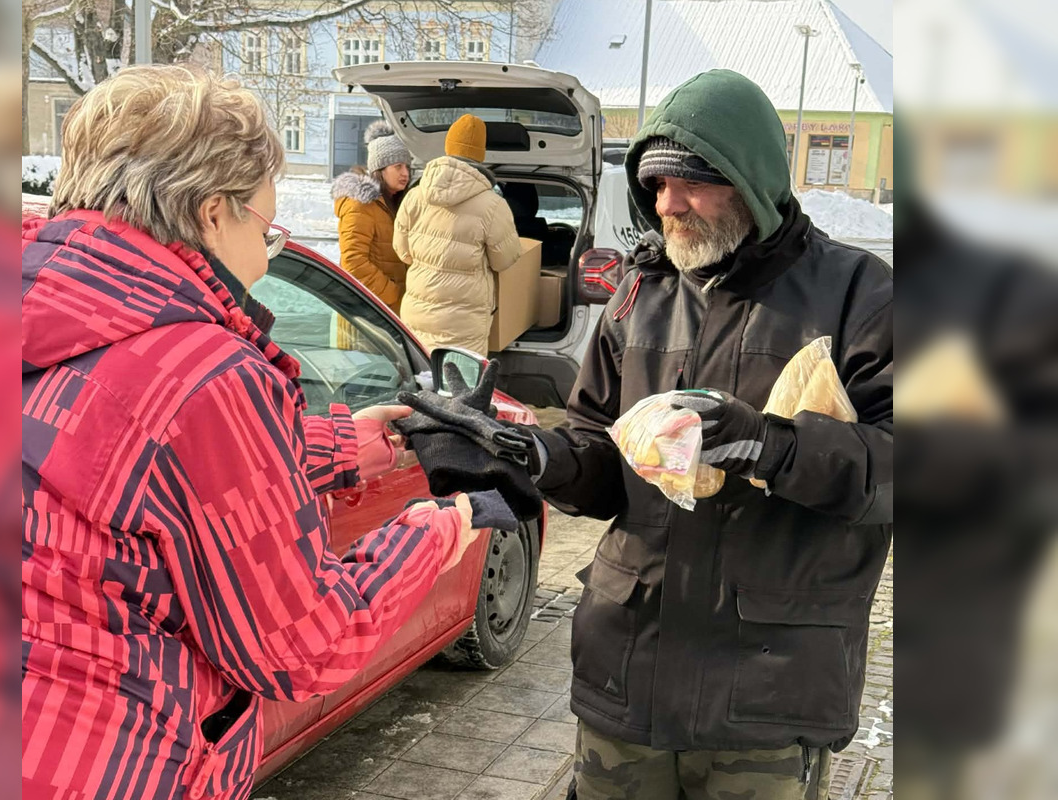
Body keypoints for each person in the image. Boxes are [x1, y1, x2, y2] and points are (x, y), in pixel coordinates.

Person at [403, 70, 893, 799]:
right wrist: (536, 454)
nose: (669, 204)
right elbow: (602, 447)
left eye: (693, 182)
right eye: (657, 185)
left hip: (767, 685)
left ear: (751, 179)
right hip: (629, 671)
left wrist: (769, 445)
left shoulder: (860, 294)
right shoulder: (643, 294)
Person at [21, 65, 476, 800]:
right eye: (267, 226)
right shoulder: (199, 373)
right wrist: (436, 529)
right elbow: (304, 648)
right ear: (211, 215)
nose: (268, 255)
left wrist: (350, 444)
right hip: (99, 764)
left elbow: (121, 451)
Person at [394, 113, 521, 356]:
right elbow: (504, 259)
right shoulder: (492, 206)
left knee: (419, 385)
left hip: (416, 315)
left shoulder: (415, 195)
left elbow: (403, 252)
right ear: (480, 153)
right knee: (461, 388)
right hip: (464, 323)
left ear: (448, 146)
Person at [332, 121, 411, 313]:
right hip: (367, 313)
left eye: (407, 166)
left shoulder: (393, 202)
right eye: (398, 166)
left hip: (386, 311)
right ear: (380, 170)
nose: (405, 173)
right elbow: (353, 262)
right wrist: (394, 294)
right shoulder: (360, 203)